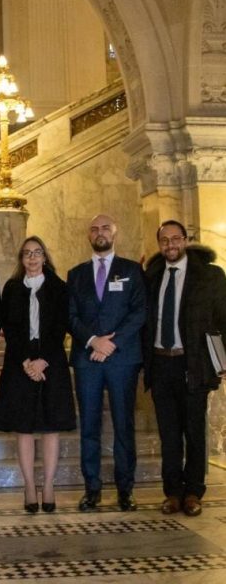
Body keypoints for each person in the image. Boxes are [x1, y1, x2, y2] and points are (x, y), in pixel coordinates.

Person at [143, 220, 226, 516]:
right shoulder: (152, 276)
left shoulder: (210, 276)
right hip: (161, 362)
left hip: (193, 363)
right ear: (159, 244)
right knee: (168, 433)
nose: (170, 244)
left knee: (194, 431)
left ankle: (193, 492)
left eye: (175, 238)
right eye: (164, 240)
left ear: (185, 240)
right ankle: (172, 493)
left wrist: (221, 362)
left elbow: (223, 320)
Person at [67, 214, 146, 512]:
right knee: (89, 425)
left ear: (115, 233)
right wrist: (93, 341)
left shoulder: (131, 270)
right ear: (89, 235)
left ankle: (125, 489)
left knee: (124, 424)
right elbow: (70, 316)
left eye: (105, 228)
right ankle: (92, 489)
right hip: (88, 359)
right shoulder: (76, 274)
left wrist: (111, 343)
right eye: (94, 229)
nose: (100, 233)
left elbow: (139, 312)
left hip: (121, 360)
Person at [0, 236, 76, 513]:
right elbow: (9, 328)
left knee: (51, 427)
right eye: (27, 253)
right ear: (21, 258)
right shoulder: (12, 288)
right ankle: (29, 485)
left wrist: (43, 361)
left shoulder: (59, 288)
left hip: (51, 361)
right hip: (20, 363)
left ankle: (49, 485)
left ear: (44, 256)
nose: (32, 258)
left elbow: (60, 326)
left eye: (37, 252)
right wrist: (27, 362)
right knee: (24, 428)